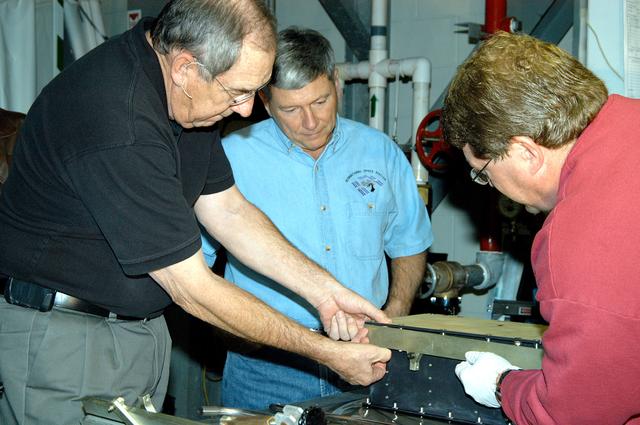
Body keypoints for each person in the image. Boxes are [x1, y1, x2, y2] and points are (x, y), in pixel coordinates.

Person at [0, 2, 392, 424]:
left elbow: (229, 210)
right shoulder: (120, 117)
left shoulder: (185, 97)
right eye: (238, 93)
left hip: (139, 331)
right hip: (66, 340)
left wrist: (326, 292)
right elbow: (193, 288)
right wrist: (327, 353)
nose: (245, 110)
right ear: (186, 68)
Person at [200, 26, 432, 410]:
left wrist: (393, 319)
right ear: (264, 100)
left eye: (320, 101)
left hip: (366, 355)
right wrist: (239, 334)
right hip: (267, 366)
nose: (310, 122)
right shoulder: (228, 160)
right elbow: (195, 270)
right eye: (291, 109)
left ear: (336, 82)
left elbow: (409, 243)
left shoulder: (380, 153)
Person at [443, 31, 640, 424]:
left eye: (483, 174)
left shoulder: (580, 236)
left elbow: (574, 414)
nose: (492, 187)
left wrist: (502, 385)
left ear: (525, 152)